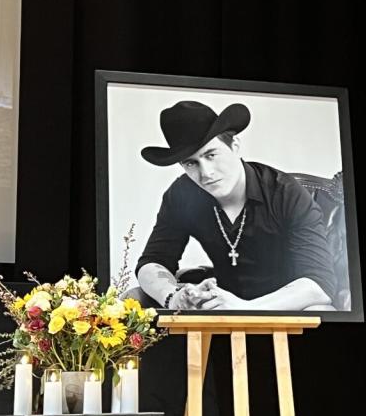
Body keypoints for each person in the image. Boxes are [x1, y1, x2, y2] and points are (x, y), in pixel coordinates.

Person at [134, 100, 336, 311]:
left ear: (235, 146)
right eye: (190, 163)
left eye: (211, 155)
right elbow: (152, 261)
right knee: (135, 297)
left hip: (284, 306)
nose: (206, 173)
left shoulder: (285, 193)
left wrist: (245, 308)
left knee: (319, 311)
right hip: (222, 303)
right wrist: (173, 297)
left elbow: (319, 285)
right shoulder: (182, 194)